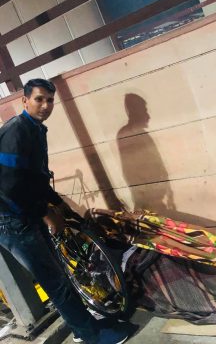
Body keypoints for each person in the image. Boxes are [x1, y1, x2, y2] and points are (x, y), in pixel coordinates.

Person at [0, 79, 132, 343]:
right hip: (12, 220)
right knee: (54, 281)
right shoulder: (16, 132)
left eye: (50, 100)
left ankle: (84, 325)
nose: (45, 105)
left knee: (59, 273)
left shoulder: (35, 129)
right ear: (25, 101)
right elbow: (10, 186)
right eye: (39, 99)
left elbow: (34, 177)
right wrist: (46, 213)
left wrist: (58, 204)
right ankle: (91, 336)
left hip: (26, 213)